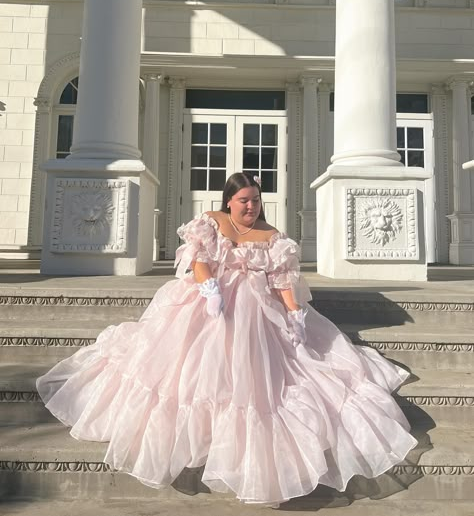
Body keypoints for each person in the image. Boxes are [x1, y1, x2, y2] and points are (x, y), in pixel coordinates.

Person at [37, 172, 417, 506]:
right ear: (229, 201)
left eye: (255, 200)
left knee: (262, 378)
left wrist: (296, 314)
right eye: (243, 200)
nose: (250, 206)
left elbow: (283, 281)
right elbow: (198, 258)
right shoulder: (212, 222)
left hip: (256, 311)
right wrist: (209, 289)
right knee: (185, 367)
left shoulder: (273, 237)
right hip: (209, 300)